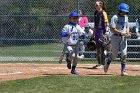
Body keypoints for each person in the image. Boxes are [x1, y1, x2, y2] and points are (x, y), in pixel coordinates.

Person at [104, 3, 131, 76]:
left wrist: (128, 33)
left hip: (123, 38)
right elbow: (112, 29)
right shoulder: (115, 17)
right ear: (119, 10)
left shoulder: (126, 17)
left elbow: (127, 26)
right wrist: (121, 33)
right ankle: (108, 60)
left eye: (125, 12)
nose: (124, 13)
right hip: (115, 37)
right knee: (114, 55)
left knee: (124, 54)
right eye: (123, 11)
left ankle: (123, 71)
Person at [91, 0, 110, 69]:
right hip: (97, 32)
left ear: (100, 6)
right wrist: (93, 34)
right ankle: (99, 63)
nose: (95, 6)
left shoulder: (103, 13)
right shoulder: (95, 13)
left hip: (102, 31)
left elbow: (106, 23)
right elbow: (95, 25)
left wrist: (106, 33)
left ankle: (103, 64)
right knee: (98, 48)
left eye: (97, 5)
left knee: (102, 48)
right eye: (95, 5)